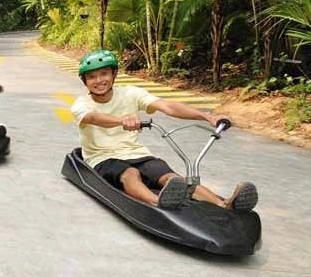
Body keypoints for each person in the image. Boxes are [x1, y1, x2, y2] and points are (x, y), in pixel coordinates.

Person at [71, 49, 259, 210]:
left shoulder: (130, 93)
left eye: (104, 74)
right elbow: (93, 118)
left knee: (170, 177)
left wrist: (207, 116)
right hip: (103, 157)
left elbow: (166, 106)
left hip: (137, 154)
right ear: (85, 82)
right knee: (130, 174)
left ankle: (224, 204)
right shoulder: (82, 104)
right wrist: (121, 120)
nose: (99, 80)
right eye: (92, 77)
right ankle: (157, 203)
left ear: (113, 74)